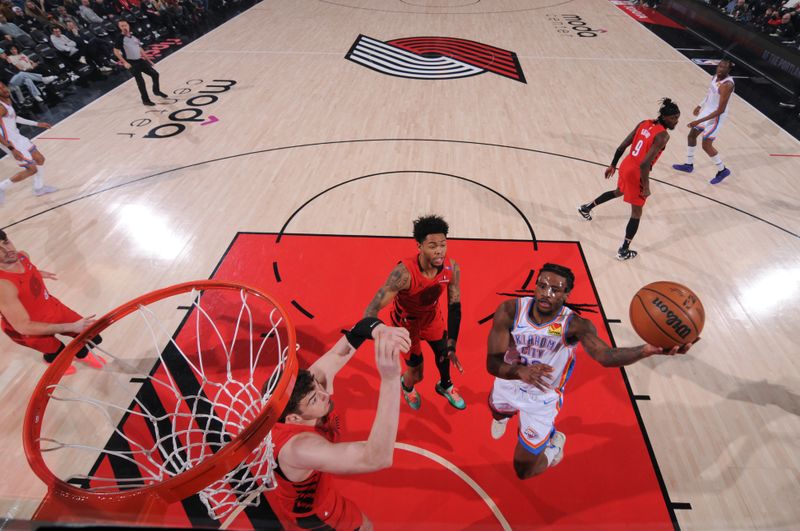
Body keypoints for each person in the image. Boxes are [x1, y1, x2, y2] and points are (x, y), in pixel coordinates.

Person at [486, 263, 695, 480]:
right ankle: (503, 417)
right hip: (509, 381)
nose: (546, 293)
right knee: (498, 410)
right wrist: (521, 371)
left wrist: (646, 350)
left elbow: (605, 356)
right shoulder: (510, 311)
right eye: (542, 286)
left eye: (555, 289)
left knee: (523, 471)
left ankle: (554, 448)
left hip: (542, 399)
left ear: (566, 295)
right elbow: (492, 364)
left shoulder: (576, 326)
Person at [267, 317, 410, 530]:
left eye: (317, 385)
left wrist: (380, 331)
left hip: (315, 493)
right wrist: (390, 381)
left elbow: (357, 333)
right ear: (294, 419)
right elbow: (376, 458)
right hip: (317, 515)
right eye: (314, 399)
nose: (325, 393)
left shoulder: (303, 393)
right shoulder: (300, 448)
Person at [363, 214, 465, 410]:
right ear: (419, 246)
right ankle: (407, 386)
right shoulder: (403, 274)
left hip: (432, 318)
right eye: (433, 246)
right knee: (417, 373)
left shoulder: (452, 268)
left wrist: (452, 343)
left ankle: (445, 385)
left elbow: (454, 306)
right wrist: (378, 332)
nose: (439, 252)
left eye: (443, 245)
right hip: (406, 324)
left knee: (444, 354)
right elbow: (372, 308)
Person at [578, 98, 680, 260]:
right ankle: (623, 250)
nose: (676, 121)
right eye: (674, 118)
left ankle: (586, 208)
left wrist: (613, 165)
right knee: (636, 213)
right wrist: (646, 186)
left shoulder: (644, 123)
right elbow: (645, 163)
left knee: (619, 192)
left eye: (677, 118)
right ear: (665, 117)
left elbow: (622, 145)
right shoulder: (663, 136)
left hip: (626, 165)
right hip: (637, 172)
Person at [0, 229, 105, 375]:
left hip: (52, 308)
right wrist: (71, 326)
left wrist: (37, 273)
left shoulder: (22, 257)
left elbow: (26, 270)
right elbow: (24, 327)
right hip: (30, 330)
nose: (8, 250)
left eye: (6, 242)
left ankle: (82, 355)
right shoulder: (3, 286)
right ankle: (50, 360)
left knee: (93, 336)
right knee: (59, 351)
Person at [672, 59, 734, 184]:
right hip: (707, 111)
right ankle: (689, 165)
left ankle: (722, 170)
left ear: (729, 70)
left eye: (724, 68)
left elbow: (720, 110)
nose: (720, 69)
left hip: (716, 117)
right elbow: (709, 94)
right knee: (692, 135)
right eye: (719, 66)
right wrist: (700, 105)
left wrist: (698, 121)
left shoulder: (727, 85)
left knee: (706, 145)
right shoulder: (715, 76)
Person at [0, 81, 58, 202]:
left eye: (4, 86)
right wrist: (11, 148)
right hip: (10, 143)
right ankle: (1, 187)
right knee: (32, 169)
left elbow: (14, 117)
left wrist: (37, 124)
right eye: (0, 89)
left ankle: (39, 188)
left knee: (40, 159)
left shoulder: (7, 101)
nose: (5, 90)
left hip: (18, 137)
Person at [113, 20, 168, 106]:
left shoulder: (134, 36)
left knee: (155, 74)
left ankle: (156, 91)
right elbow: (116, 51)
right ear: (119, 27)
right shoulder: (120, 38)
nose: (124, 27)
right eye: (122, 26)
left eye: (125, 25)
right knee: (141, 82)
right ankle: (145, 100)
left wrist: (148, 60)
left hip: (140, 60)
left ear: (128, 25)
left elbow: (140, 48)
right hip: (131, 63)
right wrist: (124, 62)